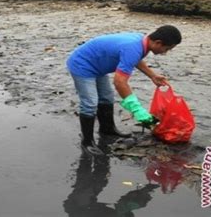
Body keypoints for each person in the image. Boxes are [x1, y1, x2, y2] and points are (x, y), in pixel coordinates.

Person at [66, 25, 182, 155]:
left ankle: (107, 129)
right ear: (158, 42)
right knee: (90, 103)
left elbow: (134, 59)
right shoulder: (133, 46)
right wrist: (137, 111)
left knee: (107, 97)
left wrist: (152, 75)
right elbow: (120, 82)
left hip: (98, 66)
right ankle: (87, 142)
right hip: (83, 65)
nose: (165, 52)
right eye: (166, 49)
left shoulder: (142, 42)